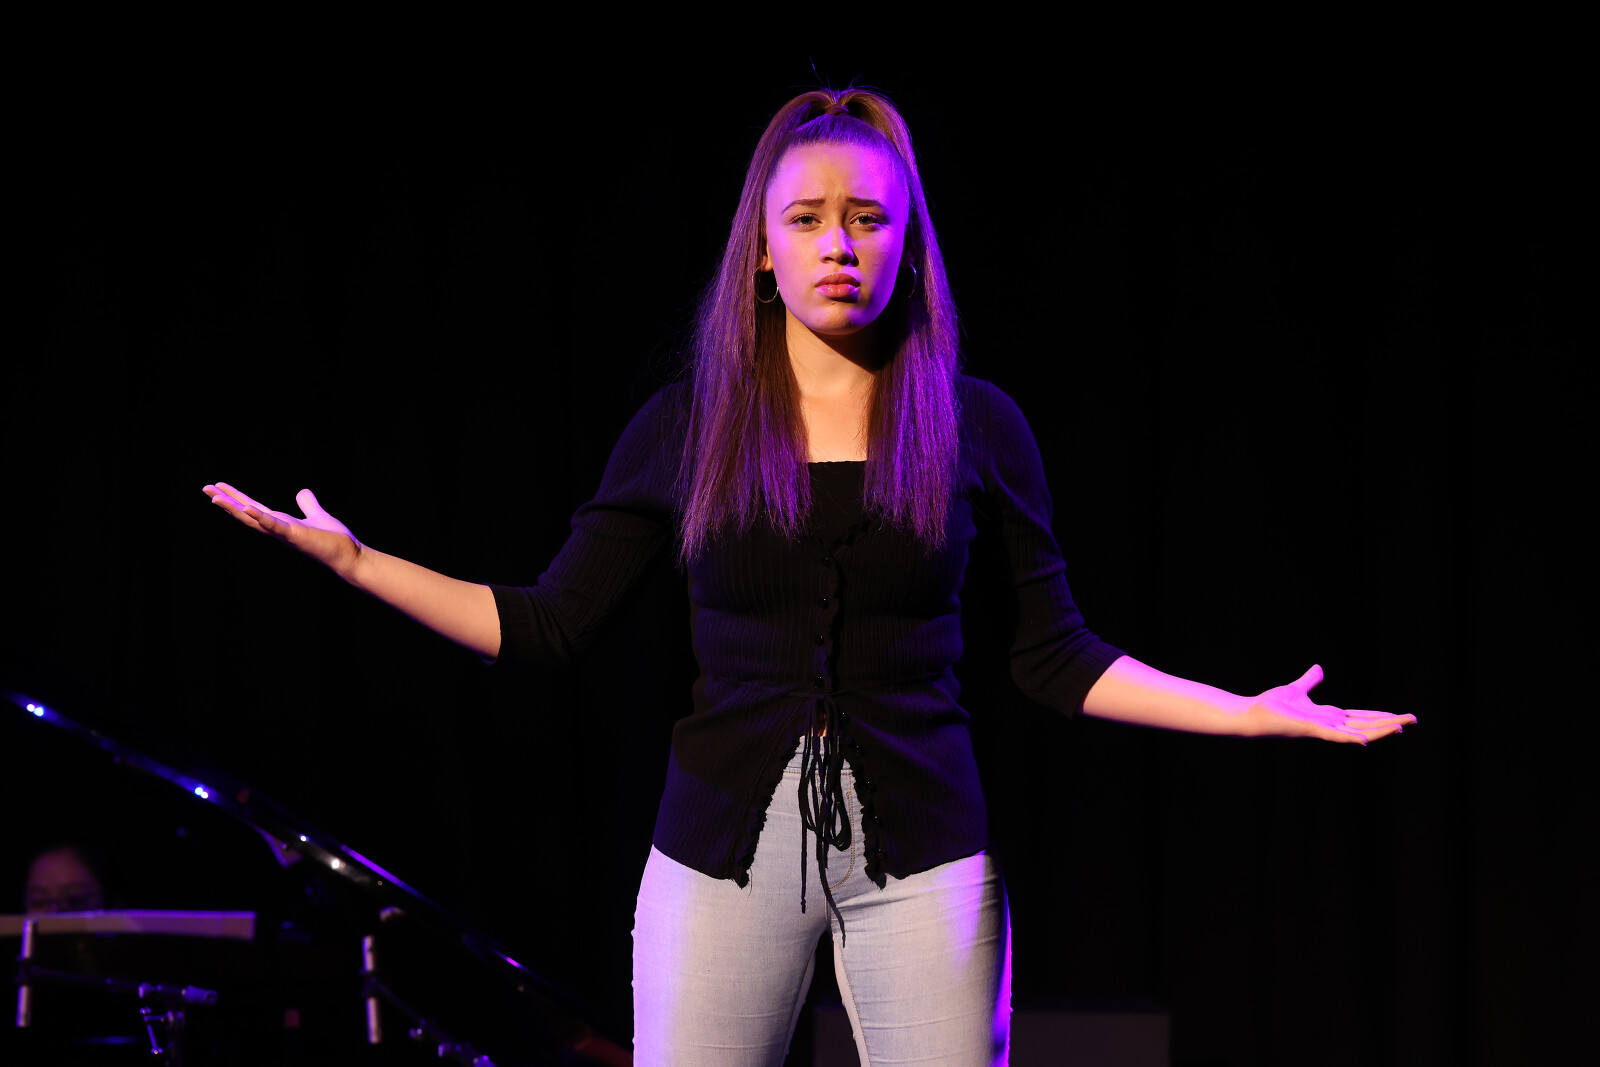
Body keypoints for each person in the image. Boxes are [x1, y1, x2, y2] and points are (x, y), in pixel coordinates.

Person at [204, 87, 1415, 1066]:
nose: (838, 242)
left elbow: (1056, 654)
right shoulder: (688, 427)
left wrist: (1247, 714)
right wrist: (353, 560)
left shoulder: (975, 426)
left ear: (908, 245)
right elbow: (546, 623)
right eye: (807, 218)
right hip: (717, 852)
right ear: (762, 251)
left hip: (927, 856)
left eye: (868, 218)